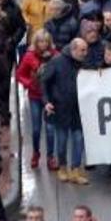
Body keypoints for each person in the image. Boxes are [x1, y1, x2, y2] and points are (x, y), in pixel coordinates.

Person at [43, 37, 89, 184]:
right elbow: (44, 82)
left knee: (78, 139)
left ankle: (75, 168)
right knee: (62, 141)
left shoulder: (84, 63)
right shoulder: (56, 62)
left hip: (78, 109)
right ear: (73, 49)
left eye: (86, 50)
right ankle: (62, 167)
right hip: (60, 109)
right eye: (82, 50)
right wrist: (47, 102)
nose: (85, 53)